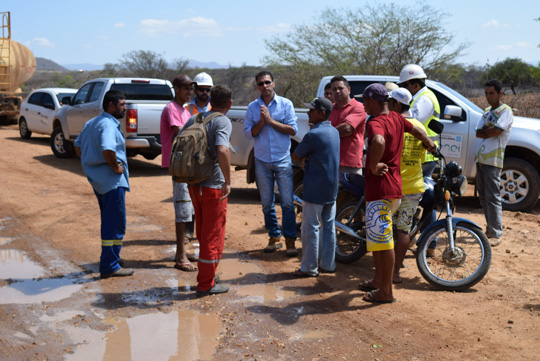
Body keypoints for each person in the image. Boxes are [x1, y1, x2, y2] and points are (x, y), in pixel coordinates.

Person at [360, 83, 435, 303]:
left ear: (373, 101)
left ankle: (386, 291)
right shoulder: (397, 118)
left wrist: (374, 166)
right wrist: (429, 143)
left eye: (364, 100)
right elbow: (419, 130)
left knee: (383, 242)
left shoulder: (377, 122)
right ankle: (378, 283)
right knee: (380, 239)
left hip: (381, 188)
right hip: (395, 187)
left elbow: (379, 141)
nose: (363, 104)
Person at [74, 90, 134, 279]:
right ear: (111, 106)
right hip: (112, 182)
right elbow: (108, 149)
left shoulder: (92, 122)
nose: (125, 108)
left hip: (100, 181)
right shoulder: (107, 125)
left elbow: (77, 145)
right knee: (114, 223)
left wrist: (90, 164)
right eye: (122, 104)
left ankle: (112, 258)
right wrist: (115, 167)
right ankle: (109, 266)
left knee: (111, 221)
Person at [180, 85, 233, 297]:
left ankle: (209, 274)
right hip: (213, 187)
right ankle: (205, 284)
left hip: (194, 184)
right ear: (229, 104)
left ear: (211, 100)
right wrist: (227, 181)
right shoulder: (222, 120)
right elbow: (222, 149)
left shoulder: (195, 118)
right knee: (213, 234)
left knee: (203, 231)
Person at [244, 71, 298, 256]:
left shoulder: (286, 104)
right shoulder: (252, 107)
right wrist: (261, 122)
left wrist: (270, 121)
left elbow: (292, 129)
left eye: (267, 82)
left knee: (287, 203)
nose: (264, 86)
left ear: (274, 83)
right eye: (261, 83)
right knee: (267, 203)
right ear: (257, 86)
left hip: (282, 159)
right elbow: (249, 133)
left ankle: (290, 240)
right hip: (262, 160)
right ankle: (274, 237)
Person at [291, 97, 340, 277]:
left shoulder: (314, 134)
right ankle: (328, 264)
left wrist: (305, 159)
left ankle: (309, 267)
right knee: (328, 226)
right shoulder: (334, 131)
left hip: (315, 187)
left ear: (321, 114)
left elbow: (296, 156)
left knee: (309, 227)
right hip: (331, 187)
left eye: (312, 110)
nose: (308, 113)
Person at [387, 88, 427, 283]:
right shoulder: (420, 126)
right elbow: (421, 158)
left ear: (396, 104)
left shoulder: (392, 124)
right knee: (403, 229)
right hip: (413, 187)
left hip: (391, 186)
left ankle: (384, 272)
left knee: (385, 229)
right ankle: (395, 273)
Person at [160, 74, 197, 272]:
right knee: (183, 209)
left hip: (187, 164)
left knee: (188, 209)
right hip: (179, 164)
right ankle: (181, 256)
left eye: (191, 89)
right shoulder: (171, 109)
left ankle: (181, 251)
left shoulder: (184, 110)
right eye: (186, 89)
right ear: (176, 88)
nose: (189, 92)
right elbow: (180, 133)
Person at [475, 79, 513, 246]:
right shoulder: (487, 111)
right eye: (486, 93)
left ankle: (497, 232)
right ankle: (490, 229)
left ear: (500, 93)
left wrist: (488, 130)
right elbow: (478, 133)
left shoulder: (506, 111)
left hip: (494, 159)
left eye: (491, 93)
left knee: (493, 196)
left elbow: (497, 131)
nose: (488, 96)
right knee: (483, 196)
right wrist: (489, 130)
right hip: (482, 157)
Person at [398, 64, 440, 177]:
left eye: (404, 85)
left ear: (416, 85)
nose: (402, 88)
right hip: (420, 153)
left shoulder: (424, 99)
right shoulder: (417, 98)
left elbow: (411, 121)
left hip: (425, 154)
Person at [329, 75, 367, 176]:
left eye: (341, 88)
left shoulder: (359, 107)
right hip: (330, 161)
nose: (337, 91)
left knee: (349, 192)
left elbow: (347, 129)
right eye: (334, 89)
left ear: (349, 89)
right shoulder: (329, 109)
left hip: (350, 164)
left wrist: (325, 135)